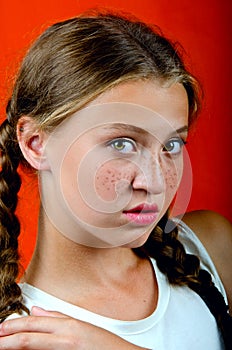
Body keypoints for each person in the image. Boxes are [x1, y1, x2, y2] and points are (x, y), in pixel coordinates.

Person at [0, 11, 231, 350]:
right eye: (121, 143)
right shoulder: (25, 338)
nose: (155, 182)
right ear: (37, 144)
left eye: (171, 145)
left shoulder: (211, 246)